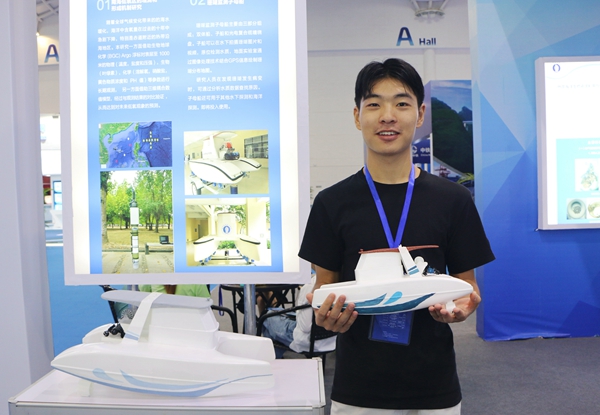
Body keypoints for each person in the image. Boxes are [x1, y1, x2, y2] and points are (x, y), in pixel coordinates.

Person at [299, 58, 495, 415]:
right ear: (357, 116)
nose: (388, 116)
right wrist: (324, 315)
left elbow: (468, 286)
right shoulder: (331, 203)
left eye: (401, 104)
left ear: (420, 115)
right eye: (374, 104)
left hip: (435, 385)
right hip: (358, 388)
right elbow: (324, 288)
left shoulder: (453, 200)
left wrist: (463, 306)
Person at [261, 273, 337, 358]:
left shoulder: (310, 286)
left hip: (307, 341)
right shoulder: (341, 282)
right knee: (276, 314)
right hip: (332, 341)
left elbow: (305, 327)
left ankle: (271, 360)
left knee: (267, 318)